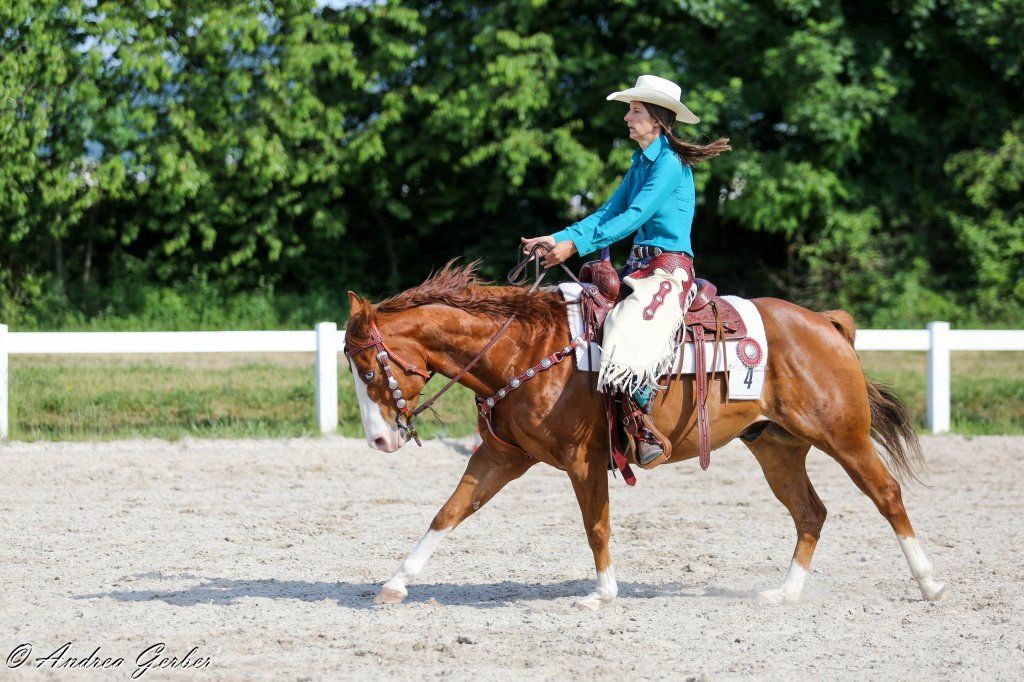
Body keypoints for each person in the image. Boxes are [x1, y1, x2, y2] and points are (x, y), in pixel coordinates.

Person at [521, 74, 730, 466]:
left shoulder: (669, 163)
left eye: (635, 111)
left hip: (669, 270)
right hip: (639, 268)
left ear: (657, 119)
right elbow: (607, 212)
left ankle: (643, 423)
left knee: (626, 323)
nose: (627, 118)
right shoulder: (640, 164)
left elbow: (634, 216)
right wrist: (556, 237)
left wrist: (575, 247)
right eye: (630, 111)